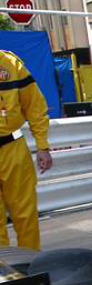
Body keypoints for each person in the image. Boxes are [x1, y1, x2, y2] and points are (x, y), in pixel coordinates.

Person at [0, 50, 52, 250]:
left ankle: (30, 266)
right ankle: (3, 273)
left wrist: (42, 146)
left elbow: (35, 107)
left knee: (25, 214)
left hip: (13, 148)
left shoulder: (11, 64)